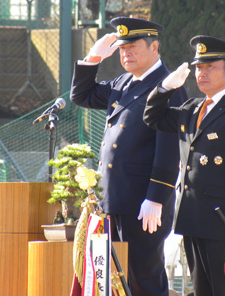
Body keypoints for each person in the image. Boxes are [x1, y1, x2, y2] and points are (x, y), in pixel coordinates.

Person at [70, 17, 187, 296]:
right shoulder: (123, 82)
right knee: (115, 282)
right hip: (114, 200)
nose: (126, 54)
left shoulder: (168, 86)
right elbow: (81, 95)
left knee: (143, 280)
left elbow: (170, 148)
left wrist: (157, 197)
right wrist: (93, 57)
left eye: (133, 47)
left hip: (143, 204)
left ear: (154, 46)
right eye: (122, 49)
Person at [143, 35, 225, 296]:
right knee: (202, 291)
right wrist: (164, 88)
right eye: (199, 67)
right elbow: (152, 117)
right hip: (193, 217)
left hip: (223, 220)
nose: (202, 73)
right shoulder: (191, 108)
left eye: (210, 67)